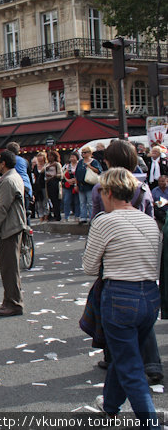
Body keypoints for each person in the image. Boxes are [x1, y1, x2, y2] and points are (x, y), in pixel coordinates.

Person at [82, 168, 161, 428]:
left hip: (120, 296)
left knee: (130, 367)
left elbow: (90, 267)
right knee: (124, 354)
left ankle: (151, 424)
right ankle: (110, 407)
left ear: (110, 192)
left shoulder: (104, 221)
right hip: (150, 296)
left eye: (102, 191)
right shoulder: (149, 221)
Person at [90, 139, 162, 387]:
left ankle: (115, 358)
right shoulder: (143, 188)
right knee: (141, 310)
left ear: (108, 161)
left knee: (113, 309)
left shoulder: (102, 188)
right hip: (143, 256)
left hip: (114, 252)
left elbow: (95, 222)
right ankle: (150, 363)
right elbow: (153, 219)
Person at [0, 150, 26, 317]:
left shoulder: (9, 181)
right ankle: (9, 300)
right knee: (8, 267)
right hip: (13, 226)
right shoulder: (13, 177)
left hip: (9, 228)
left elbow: (2, 208)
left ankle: (14, 303)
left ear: (3, 163)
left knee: (9, 268)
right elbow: (4, 187)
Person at [6, 142, 33, 222]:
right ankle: (28, 231)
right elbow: (29, 176)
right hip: (26, 186)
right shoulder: (25, 161)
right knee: (26, 212)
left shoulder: (8, 160)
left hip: (14, 186)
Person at [76, 146, 102, 224]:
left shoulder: (94, 161)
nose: (83, 154)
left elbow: (98, 171)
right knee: (82, 202)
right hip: (81, 184)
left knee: (90, 202)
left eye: (85, 152)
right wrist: (76, 184)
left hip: (90, 184)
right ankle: (83, 217)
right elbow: (77, 173)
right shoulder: (80, 162)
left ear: (90, 153)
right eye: (82, 153)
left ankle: (92, 217)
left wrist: (90, 166)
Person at [61, 152, 81, 222]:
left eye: (73, 157)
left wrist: (75, 181)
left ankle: (77, 215)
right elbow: (63, 174)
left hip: (77, 184)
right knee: (67, 200)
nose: (72, 158)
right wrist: (68, 180)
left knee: (77, 201)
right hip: (68, 185)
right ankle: (66, 216)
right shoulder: (67, 166)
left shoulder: (79, 165)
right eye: (71, 157)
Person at [44, 150, 63, 221]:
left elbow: (61, 175)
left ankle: (57, 216)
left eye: (51, 156)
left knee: (56, 201)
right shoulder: (47, 164)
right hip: (48, 184)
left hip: (55, 183)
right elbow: (42, 171)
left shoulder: (57, 164)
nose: (50, 157)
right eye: (48, 156)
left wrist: (53, 175)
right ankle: (52, 214)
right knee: (51, 200)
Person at [33, 152, 47, 221]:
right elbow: (34, 176)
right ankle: (41, 216)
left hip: (45, 185)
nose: (40, 158)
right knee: (39, 202)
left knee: (45, 201)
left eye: (41, 156)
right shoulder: (35, 167)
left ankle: (46, 215)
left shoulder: (46, 166)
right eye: (38, 156)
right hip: (37, 186)